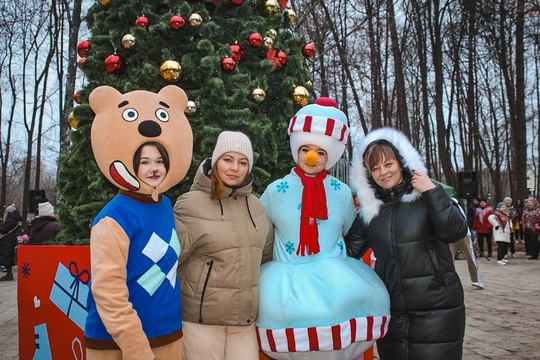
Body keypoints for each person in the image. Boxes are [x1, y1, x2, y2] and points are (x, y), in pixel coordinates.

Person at [257, 98, 390, 360]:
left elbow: (354, 235)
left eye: (320, 151)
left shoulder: (341, 193)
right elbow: (258, 236)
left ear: (330, 156)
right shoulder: (274, 191)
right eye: (305, 148)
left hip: (335, 278)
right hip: (288, 282)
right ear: (296, 150)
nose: (311, 157)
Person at [84, 85, 193, 359]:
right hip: (119, 346)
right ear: (133, 166)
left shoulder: (164, 204)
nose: (153, 168)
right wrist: (137, 349)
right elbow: (108, 292)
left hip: (167, 335)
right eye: (144, 162)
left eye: (159, 161)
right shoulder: (113, 217)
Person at [345, 127, 468, 360]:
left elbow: (455, 230)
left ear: (401, 162)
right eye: (375, 168)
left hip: (438, 308)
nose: (383, 172)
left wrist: (433, 192)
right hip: (392, 312)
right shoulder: (370, 213)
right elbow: (347, 253)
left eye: (388, 164)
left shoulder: (426, 197)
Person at [173, 131, 273, 360]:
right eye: (228, 159)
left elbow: (265, 259)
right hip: (201, 322)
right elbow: (172, 260)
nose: (234, 168)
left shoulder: (257, 208)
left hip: (244, 322)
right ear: (215, 162)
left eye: (242, 162)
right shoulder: (190, 204)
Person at [449, 197, 484, 289]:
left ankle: (476, 279)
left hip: (461, 232)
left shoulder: (452, 203)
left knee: (468, 256)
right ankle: (475, 280)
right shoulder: (453, 202)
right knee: (451, 258)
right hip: (455, 233)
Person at [0, 203, 22, 281]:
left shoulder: (11, 220)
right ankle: (8, 273)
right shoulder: (14, 220)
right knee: (7, 256)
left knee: (7, 256)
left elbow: (4, 229)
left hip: (8, 241)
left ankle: (9, 274)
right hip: (9, 240)